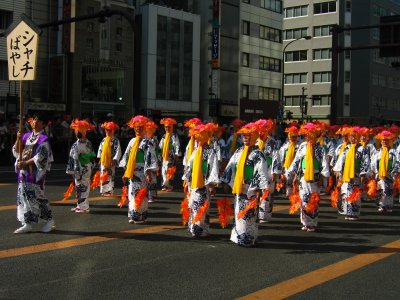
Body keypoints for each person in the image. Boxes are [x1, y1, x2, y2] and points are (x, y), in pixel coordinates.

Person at [221, 122, 269, 247]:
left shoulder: (258, 153)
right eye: (244, 136)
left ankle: (249, 237)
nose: (245, 138)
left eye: (248, 136)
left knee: (249, 214)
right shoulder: (239, 151)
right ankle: (239, 236)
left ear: (254, 136)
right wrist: (226, 181)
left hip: (250, 188)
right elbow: (231, 166)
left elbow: (261, 170)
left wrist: (258, 188)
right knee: (239, 212)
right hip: (239, 186)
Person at [12, 112, 55, 233]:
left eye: (39, 120)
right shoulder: (26, 136)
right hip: (24, 173)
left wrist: (26, 163)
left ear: (44, 124)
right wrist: (18, 139)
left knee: (38, 197)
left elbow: (40, 156)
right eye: (35, 119)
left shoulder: (43, 139)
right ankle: (27, 223)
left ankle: (49, 220)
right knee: (24, 198)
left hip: (35, 173)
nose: (35, 122)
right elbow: (17, 151)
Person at [286, 123, 330, 232]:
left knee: (313, 199)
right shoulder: (302, 146)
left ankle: (313, 223)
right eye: (306, 135)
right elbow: (297, 161)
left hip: (315, 176)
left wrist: (322, 177)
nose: (307, 137)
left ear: (315, 135)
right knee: (304, 199)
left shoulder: (320, 148)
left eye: (310, 135)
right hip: (303, 176)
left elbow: (324, 163)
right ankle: (305, 222)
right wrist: (294, 175)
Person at [182, 124, 219, 237]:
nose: (198, 138)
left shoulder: (211, 151)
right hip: (193, 183)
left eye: (201, 136)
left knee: (201, 206)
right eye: (197, 136)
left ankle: (201, 229)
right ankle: (195, 227)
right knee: (193, 204)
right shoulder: (195, 151)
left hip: (204, 182)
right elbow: (189, 166)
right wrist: (186, 179)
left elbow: (213, 167)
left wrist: (212, 184)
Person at [119, 115, 158, 223]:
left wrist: (149, 173)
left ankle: (140, 214)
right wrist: (125, 173)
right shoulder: (132, 141)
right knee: (132, 193)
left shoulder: (148, 142)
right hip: (132, 171)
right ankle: (133, 214)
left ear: (144, 127)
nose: (138, 128)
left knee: (141, 193)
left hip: (142, 171)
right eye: (136, 127)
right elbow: (127, 156)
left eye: (140, 127)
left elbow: (149, 158)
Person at [333, 127, 370, 220]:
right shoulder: (347, 148)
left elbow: (365, 161)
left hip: (356, 174)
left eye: (355, 137)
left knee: (355, 193)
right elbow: (341, 160)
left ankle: (355, 213)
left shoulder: (362, 149)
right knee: (346, 193)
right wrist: (337, 170)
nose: (353, 139)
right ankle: (348, 212)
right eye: (351, 137)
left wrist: (363, 173)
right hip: (346, 175)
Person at [67, 119, 96, 213]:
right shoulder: (88, 142)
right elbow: (92, 156)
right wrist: (91, 165)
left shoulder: (76, 145)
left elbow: (73, 158)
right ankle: (80, 205)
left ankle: (84, 207)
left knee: (82, 186)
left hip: (79, 167)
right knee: (82, 186)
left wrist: (73, 171)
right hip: (87, 166)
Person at [255, 119, 282, 223]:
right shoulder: (255, 141)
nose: (261, 133)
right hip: (257, 170)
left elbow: (276, 156)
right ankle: (256, 214)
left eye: (263, 130)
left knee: (266, 193)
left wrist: (275, 171)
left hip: (268, 169)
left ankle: (264, 215)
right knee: (256, 192)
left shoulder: (272, 142)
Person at [372, 130, 398, 213]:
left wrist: (395, 171)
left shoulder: (393, 152)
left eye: (386, 140)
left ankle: (389, 205)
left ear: (389, 141)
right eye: (383, 140)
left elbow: (397, 162)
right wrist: (374, 172)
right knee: (382, 189)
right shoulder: (378, 151)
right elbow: (374, 162)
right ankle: (382, 205)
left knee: (390, 190)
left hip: (390, 173)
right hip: (380, 174)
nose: (384, 142)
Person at [97, 121, 122, 196]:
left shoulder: (115, 140)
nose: (108, 131)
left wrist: (114, 159)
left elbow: (118, 150)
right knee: (103, 174)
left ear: (113, 131)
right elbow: (100, 149)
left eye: (110, 130)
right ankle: (103, 190)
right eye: (107, 130)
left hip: (111, 160)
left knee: (110, 175)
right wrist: (100, 158)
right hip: (104, 160)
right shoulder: (103, 140)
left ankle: (109, 190)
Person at [159, 118, 181, 191]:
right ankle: (165, 185)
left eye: (168, 127)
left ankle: (170, 185)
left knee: (170, 171)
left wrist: (177, 155)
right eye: (166, 127)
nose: (167, 128)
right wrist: (159, 155)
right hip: (164, 156)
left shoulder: (174, 136)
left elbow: (177, 145)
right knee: (163, 170)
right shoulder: (164, 136)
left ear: (171, 127)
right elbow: (160, 146)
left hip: (171, 155)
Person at [279, 125, 300, 197]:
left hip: (297, 167)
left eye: (295, 136)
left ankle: (296, 198)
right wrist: (281, 169)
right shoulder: (285, 146)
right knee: (288, 183)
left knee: (296, 183)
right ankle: (291, 198)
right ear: (289, 137)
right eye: (292, 136)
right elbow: (281, 158)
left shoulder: (300, 146)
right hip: (287, 167)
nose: (293, 138)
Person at [145, 120, 160, 203]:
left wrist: (158, 162)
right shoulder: (144, 139)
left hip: (153, 160)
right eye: (148, 129)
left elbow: (157, 151)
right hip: (146, 161)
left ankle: (152, 196)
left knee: (152, 179)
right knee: (145, 178)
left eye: (151, 129)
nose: (149, 131)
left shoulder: (155, 140)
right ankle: (147, 195)